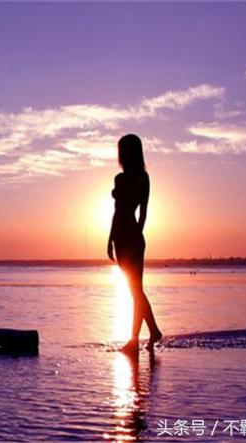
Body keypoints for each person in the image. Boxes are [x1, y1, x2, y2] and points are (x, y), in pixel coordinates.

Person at [107, 134, 163, 355]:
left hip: (130, 238)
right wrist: (111, 239)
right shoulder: (125, 178)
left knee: (136, 290)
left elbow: (140, 213)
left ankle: (138, 338)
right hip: (123, 238)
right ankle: (151, 332)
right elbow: (121, 212)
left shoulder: (136, 178)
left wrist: (133, 236)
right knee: (135, 290)